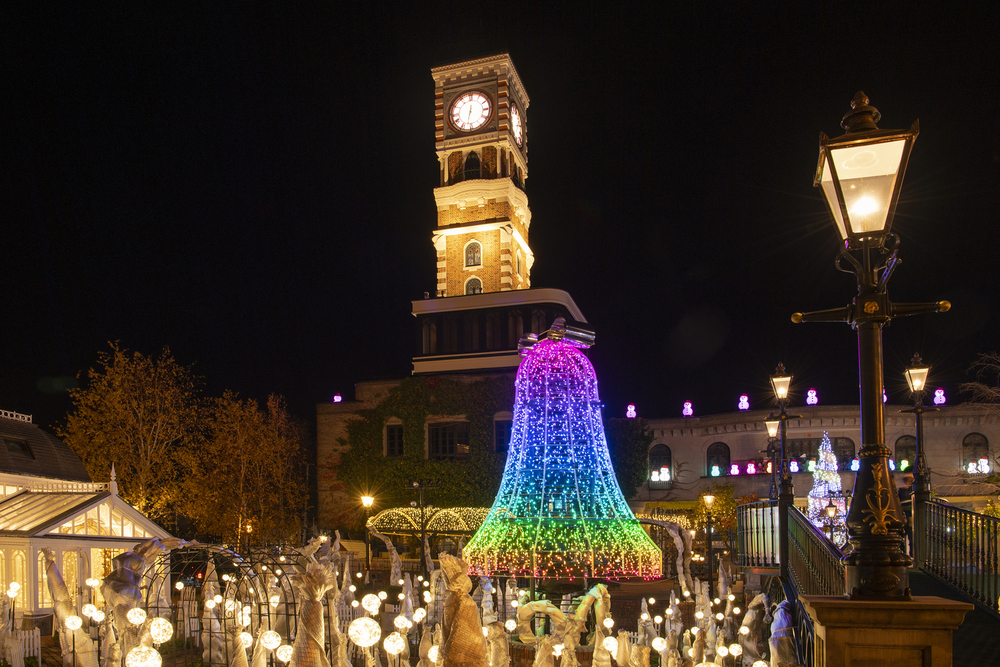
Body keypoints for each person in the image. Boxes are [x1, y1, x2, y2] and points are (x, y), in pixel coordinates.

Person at [898, 474, 914, 554]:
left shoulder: (910, 490)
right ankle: (904, 552)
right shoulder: (901, 490)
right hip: (905, 513)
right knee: (905, 534)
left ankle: (909, 553)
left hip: (907, 513)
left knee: (910, 534)